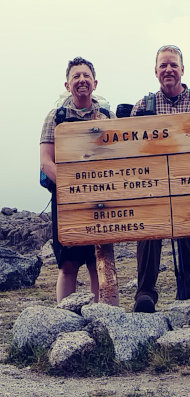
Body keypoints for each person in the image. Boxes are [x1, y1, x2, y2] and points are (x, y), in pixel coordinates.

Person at [131, 45, 190, 313]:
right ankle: (145, 295)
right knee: (148, 236)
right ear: (156, 71)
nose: (168, 70)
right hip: (152, 185)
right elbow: (131, 152)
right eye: (163, 65)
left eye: (173, 65)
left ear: (182, 69)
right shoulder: (142, 106)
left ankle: (189, 300)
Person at [40, 57, 115, 303]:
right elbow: (46, 161)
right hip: (66, 201)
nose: (81, 80)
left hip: (101, 200)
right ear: (67, 84)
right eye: (76, 76)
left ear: (95, 83)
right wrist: (72, 189)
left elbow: (118, 158)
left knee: (98, 261)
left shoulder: (108, 115)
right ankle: (65, 320)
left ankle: (101, 318)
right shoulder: (56, 117)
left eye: (86, 76)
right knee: (68, 264)